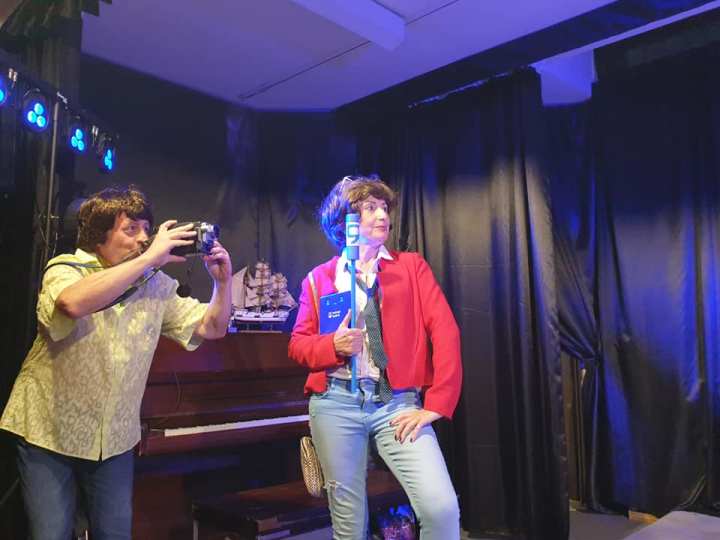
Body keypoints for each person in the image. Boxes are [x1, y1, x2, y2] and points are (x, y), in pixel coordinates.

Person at [0, 186, 233, 540]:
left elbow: (212, 328)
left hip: (113, 441)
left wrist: (222, 284)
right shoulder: (67, 268)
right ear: (100, 235)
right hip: (48, 432)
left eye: (146, 230)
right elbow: (71, 304)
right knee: (51, 534)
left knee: (115, 534)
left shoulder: (155, 284)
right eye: (130, 229)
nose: (143, 239)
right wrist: (147, 260)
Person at [289, 175, 462, 539]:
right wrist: (332, 346)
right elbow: (298, 345)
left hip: (396, 404)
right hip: (336, 403)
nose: (383, 215)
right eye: (370, 208)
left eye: (384, 208)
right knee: (349, 525)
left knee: (441, 508)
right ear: (345, 222)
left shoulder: (411, 267)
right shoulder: (319, 279)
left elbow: (445, 331)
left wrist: (438, 403)